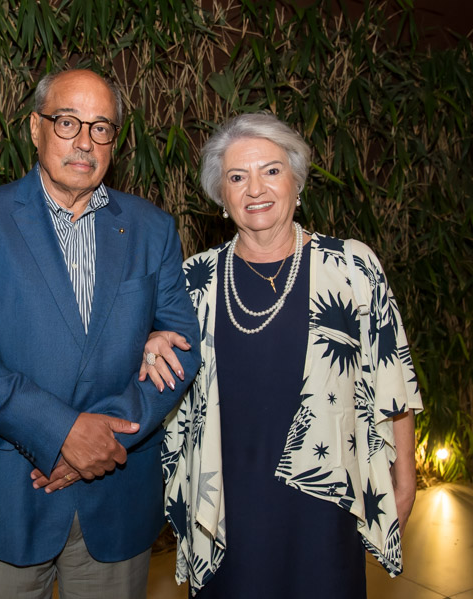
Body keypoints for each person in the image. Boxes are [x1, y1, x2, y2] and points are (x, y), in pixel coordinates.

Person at [0, 68, 200, 599]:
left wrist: (102, 441)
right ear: (36, 128)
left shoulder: (152, 228)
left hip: (115, 493)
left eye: (101, 127)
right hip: (9, 494)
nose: (84, 141)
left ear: (114, 141)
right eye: (67, 122)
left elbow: (183, 348)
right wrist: (62, 432)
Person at [140, 113, 423, 597]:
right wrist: (151, 347)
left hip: (325, 506)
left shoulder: (351, 267)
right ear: (221, 196)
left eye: (271, 170)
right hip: (227, 510)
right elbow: (164, 376)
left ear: (297, 180)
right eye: (237, 177)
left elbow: (393, 378)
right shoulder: (194, 281)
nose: (255, 189)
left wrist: (405, 481)